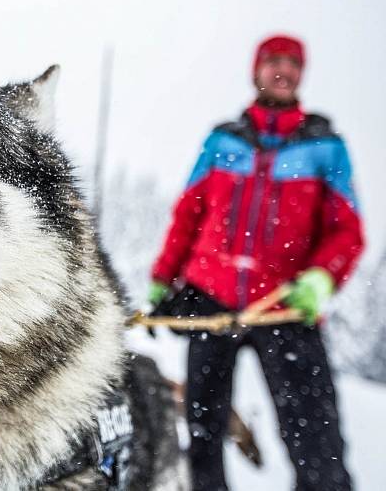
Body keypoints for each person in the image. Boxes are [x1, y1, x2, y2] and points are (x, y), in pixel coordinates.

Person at [148, 35, 365, 491]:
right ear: (256, 70)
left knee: (316, 440)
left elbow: (346, 230)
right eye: (273, 62)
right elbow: (189, 213)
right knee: (203, 435)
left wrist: (322, 278)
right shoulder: (223, 140)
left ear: (301, 74)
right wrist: (161, 277)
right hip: (211, 300)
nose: (282, 70)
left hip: (284, 304)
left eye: (292, 63)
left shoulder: (326, 146)